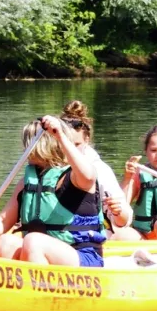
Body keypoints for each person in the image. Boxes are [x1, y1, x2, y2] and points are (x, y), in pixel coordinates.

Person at [0, 114, 105, 267]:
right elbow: (4, 221)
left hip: (81, 256)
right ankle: (12, 288)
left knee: (33, 241)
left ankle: (40, 288)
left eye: (28, 142)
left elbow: (89, 176)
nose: (25, 148)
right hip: (39, 252)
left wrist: (60, 136)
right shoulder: (26, 182)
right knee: (6, 242)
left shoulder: (76, 177)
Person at [59, 100, 133, 234]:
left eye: (76, 145)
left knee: (128, 234)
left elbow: (125, 220)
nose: (71, 152)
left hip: (90, 236)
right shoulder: (47, 167)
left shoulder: (100, 170)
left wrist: (118, 212)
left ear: (87, 140)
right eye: (66, 144)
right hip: (54, 234)